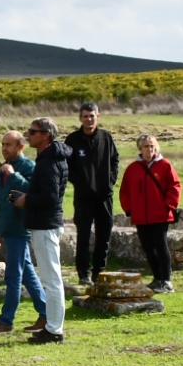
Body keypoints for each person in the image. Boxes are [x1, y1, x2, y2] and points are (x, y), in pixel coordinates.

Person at [10, 117, 70, 345]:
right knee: (50, 278)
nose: (29, 135)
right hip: (46, 223)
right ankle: (52, 326)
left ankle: (54, 329)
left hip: (46, 225)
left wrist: (26, 199)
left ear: (46, 135)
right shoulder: (51, 158)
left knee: (51, 279)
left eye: (33, 132)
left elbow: (51, 196)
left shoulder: (48, 162)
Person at [0, 130, 47, 334]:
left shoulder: (28, 167)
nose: (4, 148)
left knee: (13, 275)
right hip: (8, 228)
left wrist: (14, 175)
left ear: (20, 147)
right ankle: (46, 314)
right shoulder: (2, 169)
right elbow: (1, 203)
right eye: (3, 144)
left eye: (8, 145)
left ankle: (6, 320)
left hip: (20, 228)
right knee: (27, 273)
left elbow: (35, 192)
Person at [65, 101, 120, 288]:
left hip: (105, 196)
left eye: (92, 116)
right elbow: (67, 166)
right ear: (80, 118)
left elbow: (114, 160)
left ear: (98, 117)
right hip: (83, 197)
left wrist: (110, 180)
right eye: (85, 116)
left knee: (104, 235)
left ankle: (99, 272)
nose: (89, 119)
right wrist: (80, 183)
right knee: (84, 236)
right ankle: (84, 274)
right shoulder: (73, 140)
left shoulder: (106, 137)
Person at [120, 133, 182, 294]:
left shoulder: (165, 165)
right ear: (140, 148)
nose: (150, 149)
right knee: (148, 248)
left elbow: (174, 187)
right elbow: (124, 191)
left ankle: (166, 281)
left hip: (160, 215)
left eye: (152, 146)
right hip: (141, 216)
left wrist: (169, 205)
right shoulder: (133, 168)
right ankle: (157, 278)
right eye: (146, 146)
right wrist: (129, 209)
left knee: (161, 246)